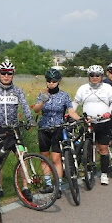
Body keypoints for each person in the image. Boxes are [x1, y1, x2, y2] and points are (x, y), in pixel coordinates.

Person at [0, 60, 33, 198]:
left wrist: (30, 119)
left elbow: (25, 106)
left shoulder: (17, 91)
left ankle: (25, 187)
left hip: (14, 131)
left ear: (13, 75)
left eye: (9, 73)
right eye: (3, 73)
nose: (6, 76)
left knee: (22, 157)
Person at [31, 68, 80, 197]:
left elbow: (71, 111)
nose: (51, 83)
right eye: (49, 81)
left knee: (56, 158)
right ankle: (48, 184)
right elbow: (36, 110)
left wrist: (80, 119)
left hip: (58, 128)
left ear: (58, 81)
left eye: (53, 81)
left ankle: (58, 186)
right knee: (44, 157)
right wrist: (43, 101)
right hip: (44, 128)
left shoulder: (64, 95)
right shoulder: (42, 93)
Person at [72, 64, 112, 186]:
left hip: (103, 122)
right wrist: (71, 113)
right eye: (92, 75)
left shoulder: (107, 88)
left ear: (101, 76)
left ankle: (104, 173)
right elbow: (75, 103)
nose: (94, 77)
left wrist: (108, 112)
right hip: (88, 122)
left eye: (97, 75)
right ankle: (88, 171)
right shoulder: (83, 88)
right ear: (88, 76)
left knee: (103, 149)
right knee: (87, 149)